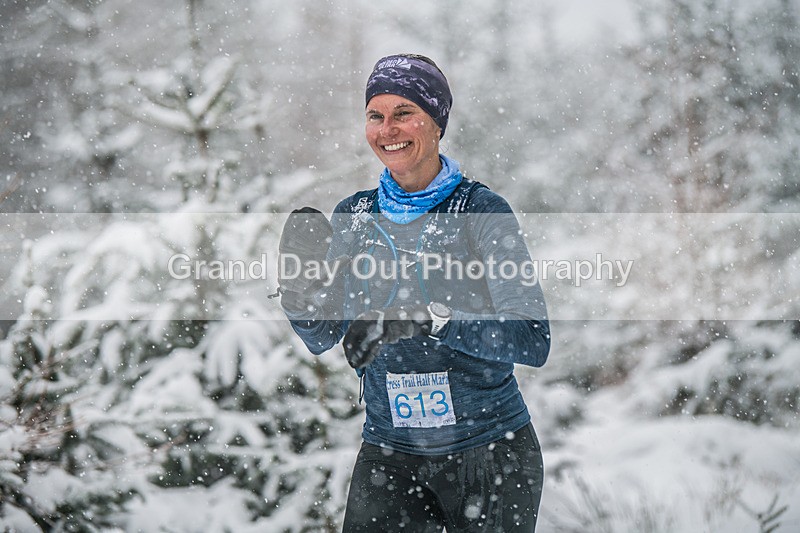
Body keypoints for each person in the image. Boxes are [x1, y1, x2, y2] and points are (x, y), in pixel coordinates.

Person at [278, 53, 550, 532]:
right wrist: (299, 295)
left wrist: (428, 318)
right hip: (390, 455)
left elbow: (531, 337)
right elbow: (321, 335)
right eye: (375, 116)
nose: (388, 129)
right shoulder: (356, 216)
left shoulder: (480, 211)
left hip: (488, 453)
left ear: (437, 122)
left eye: (404, 112)